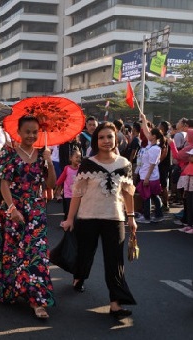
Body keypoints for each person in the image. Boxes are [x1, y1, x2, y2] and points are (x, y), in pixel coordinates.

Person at [61, 122, 137, 318]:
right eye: (101, 137)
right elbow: (77, 193)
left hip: (115, 218)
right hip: (88, 217)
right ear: (96, 140)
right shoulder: (88, 163)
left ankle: (115, 304)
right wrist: (70, 219)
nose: (106, 141)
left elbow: (128, 193)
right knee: (85, 254)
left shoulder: (124, 164)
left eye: (110, 137)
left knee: (115, 261)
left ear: (116, 139)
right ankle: (79, 277)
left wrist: (131, 217)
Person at [0, 115, 56, 319]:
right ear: (18, 132)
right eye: (27, 131)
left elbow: (51, 185)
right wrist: (12, 208)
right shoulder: (8, 152)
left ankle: (37, 300)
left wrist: (50, 162)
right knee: (12, 253)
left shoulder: (42, 154)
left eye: (34, 132)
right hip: (13, 208)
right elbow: (3, 183)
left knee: (35, 254)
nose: (31, 135)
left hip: (36, 210)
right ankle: (10, 290)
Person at [135, 113, 164, 224]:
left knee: (147, 196)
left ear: (155, 137)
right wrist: (144, 119)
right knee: (152, 196)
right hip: (147, 175)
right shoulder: (150, 145)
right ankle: (158, 215)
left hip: (150, 177)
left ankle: (147, 217)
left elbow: (152, 165)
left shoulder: (155, 149)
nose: (148, 134)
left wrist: (147, 178)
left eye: (151, 134)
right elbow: (146, 131)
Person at [55, 149, 82, 220]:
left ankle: (74, 224)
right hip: (68, 194)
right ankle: (66, 222)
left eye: (80, 157)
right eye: (76, 157)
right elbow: (61, 178)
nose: (78, 159)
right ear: (71, 158)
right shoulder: (67, 168)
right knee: (68, 210)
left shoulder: (80, 169)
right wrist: (56, 187)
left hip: (77, 194)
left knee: (76, 210)